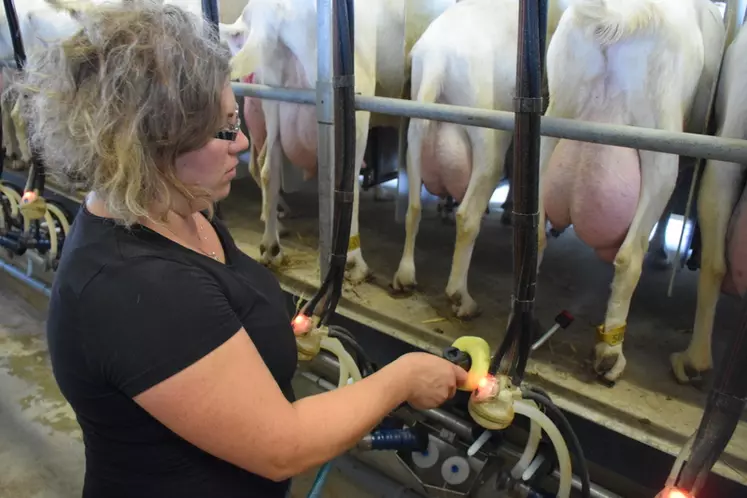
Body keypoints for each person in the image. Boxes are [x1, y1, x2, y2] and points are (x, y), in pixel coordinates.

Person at [14, 2, 469, 497]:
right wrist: (402, 378)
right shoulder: (134, 285)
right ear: (153, 140)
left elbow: (215, 313)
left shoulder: (181, 213)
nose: (244, 142)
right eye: (225, 129)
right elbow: (283, 446)